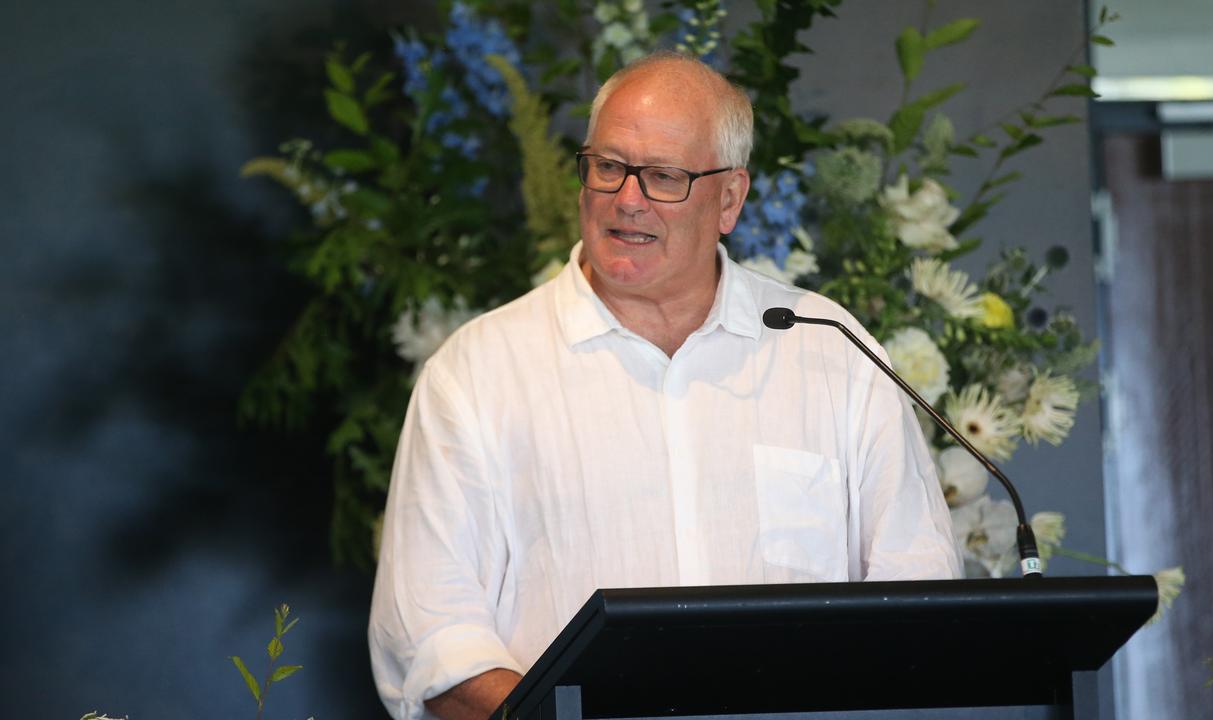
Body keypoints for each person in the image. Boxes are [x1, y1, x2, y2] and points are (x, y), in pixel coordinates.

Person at [368, 51, 961, 720]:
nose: (628, 199)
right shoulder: (477, 372)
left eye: (664, 177)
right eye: (609, 167)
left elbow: (917, 586)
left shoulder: (827, 349)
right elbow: (431, 633)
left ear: (730, 198)